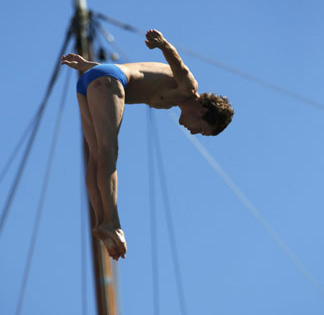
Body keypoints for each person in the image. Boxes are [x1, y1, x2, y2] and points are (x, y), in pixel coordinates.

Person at [61, 29, 234, 261]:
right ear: (203, 111)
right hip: (108, 81)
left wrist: (86, 65)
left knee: (96, 155)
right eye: (200, 128)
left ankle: (102, 221)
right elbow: (179, 65)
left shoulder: (173, 98)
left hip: (91, 79)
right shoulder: (188, 88)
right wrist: (163, 44)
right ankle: (113, 223)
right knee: (108, 152)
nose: (193, 131)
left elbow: (138, 71)